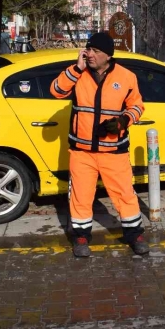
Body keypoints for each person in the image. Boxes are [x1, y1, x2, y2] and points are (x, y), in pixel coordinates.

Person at [51, 32, 148, 257]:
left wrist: (123, 120)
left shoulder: (126, 77)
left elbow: (137, 106)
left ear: (108, 56)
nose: (89, 54)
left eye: (95, 51)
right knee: (80, 196)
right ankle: (81, 237)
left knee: (125, 194)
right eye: (88, 49)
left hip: (114, 151)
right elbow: (56, 91)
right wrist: (76, 69)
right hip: (81, 151)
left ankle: (135, 235)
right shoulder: (78, 74)